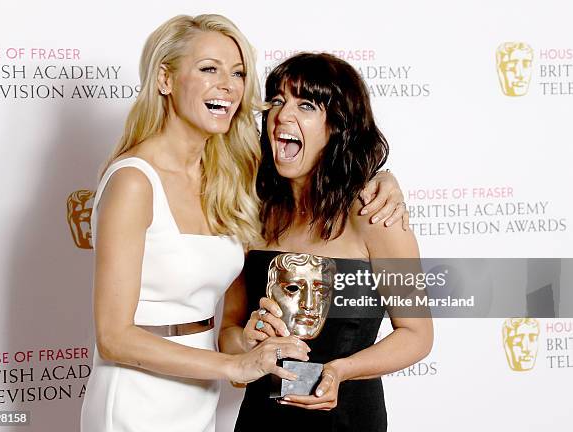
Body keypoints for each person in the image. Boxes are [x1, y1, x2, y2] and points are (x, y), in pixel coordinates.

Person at [80, 15, 407, 432]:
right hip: (139, 396)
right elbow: (113, 336)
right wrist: (238, 358)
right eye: (208, 69)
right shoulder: (136, 182)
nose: (229, 85)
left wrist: (382, 179)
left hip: (201, 395)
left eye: (237, 72)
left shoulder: (228, 180)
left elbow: (416, 331)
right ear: (164, 78)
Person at [219, 53, 433, 432]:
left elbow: (417, 335)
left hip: (347, 421)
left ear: (338, 126)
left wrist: (341, 371)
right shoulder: (253, 212)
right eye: (278, 102)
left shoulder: (375, 215)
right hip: (260, 422)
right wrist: (246, 342)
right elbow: (230, 334)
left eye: (306, 105)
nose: (283, 116)